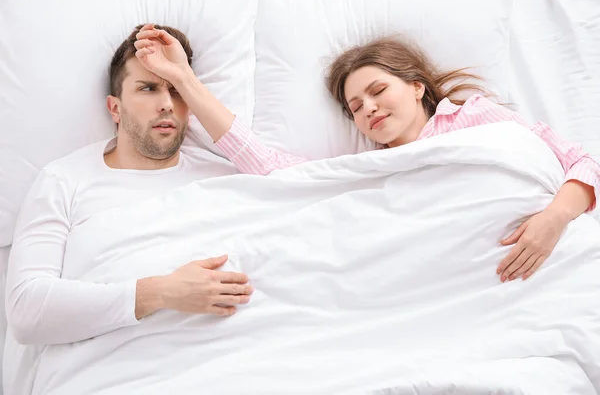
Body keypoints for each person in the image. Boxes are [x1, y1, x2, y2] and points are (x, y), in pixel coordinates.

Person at [132, 27, 600, 284]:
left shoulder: (475, 119)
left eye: (378, 91)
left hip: (539, 260)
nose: (369, 108)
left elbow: (576, 162)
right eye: (356, 107)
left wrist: (555, 218)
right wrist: (185, 81)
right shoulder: (371, 168)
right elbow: (269, 166)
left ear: (416, 87)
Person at [5, 24, 254, 346]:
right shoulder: (65, 180)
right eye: (148, 88)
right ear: (115, 108)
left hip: (235, 346)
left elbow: (294, 180)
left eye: (176, 90)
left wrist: (186, 78)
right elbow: (26, 310)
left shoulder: (228, 175)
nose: (166, 103)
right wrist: (162, 292)